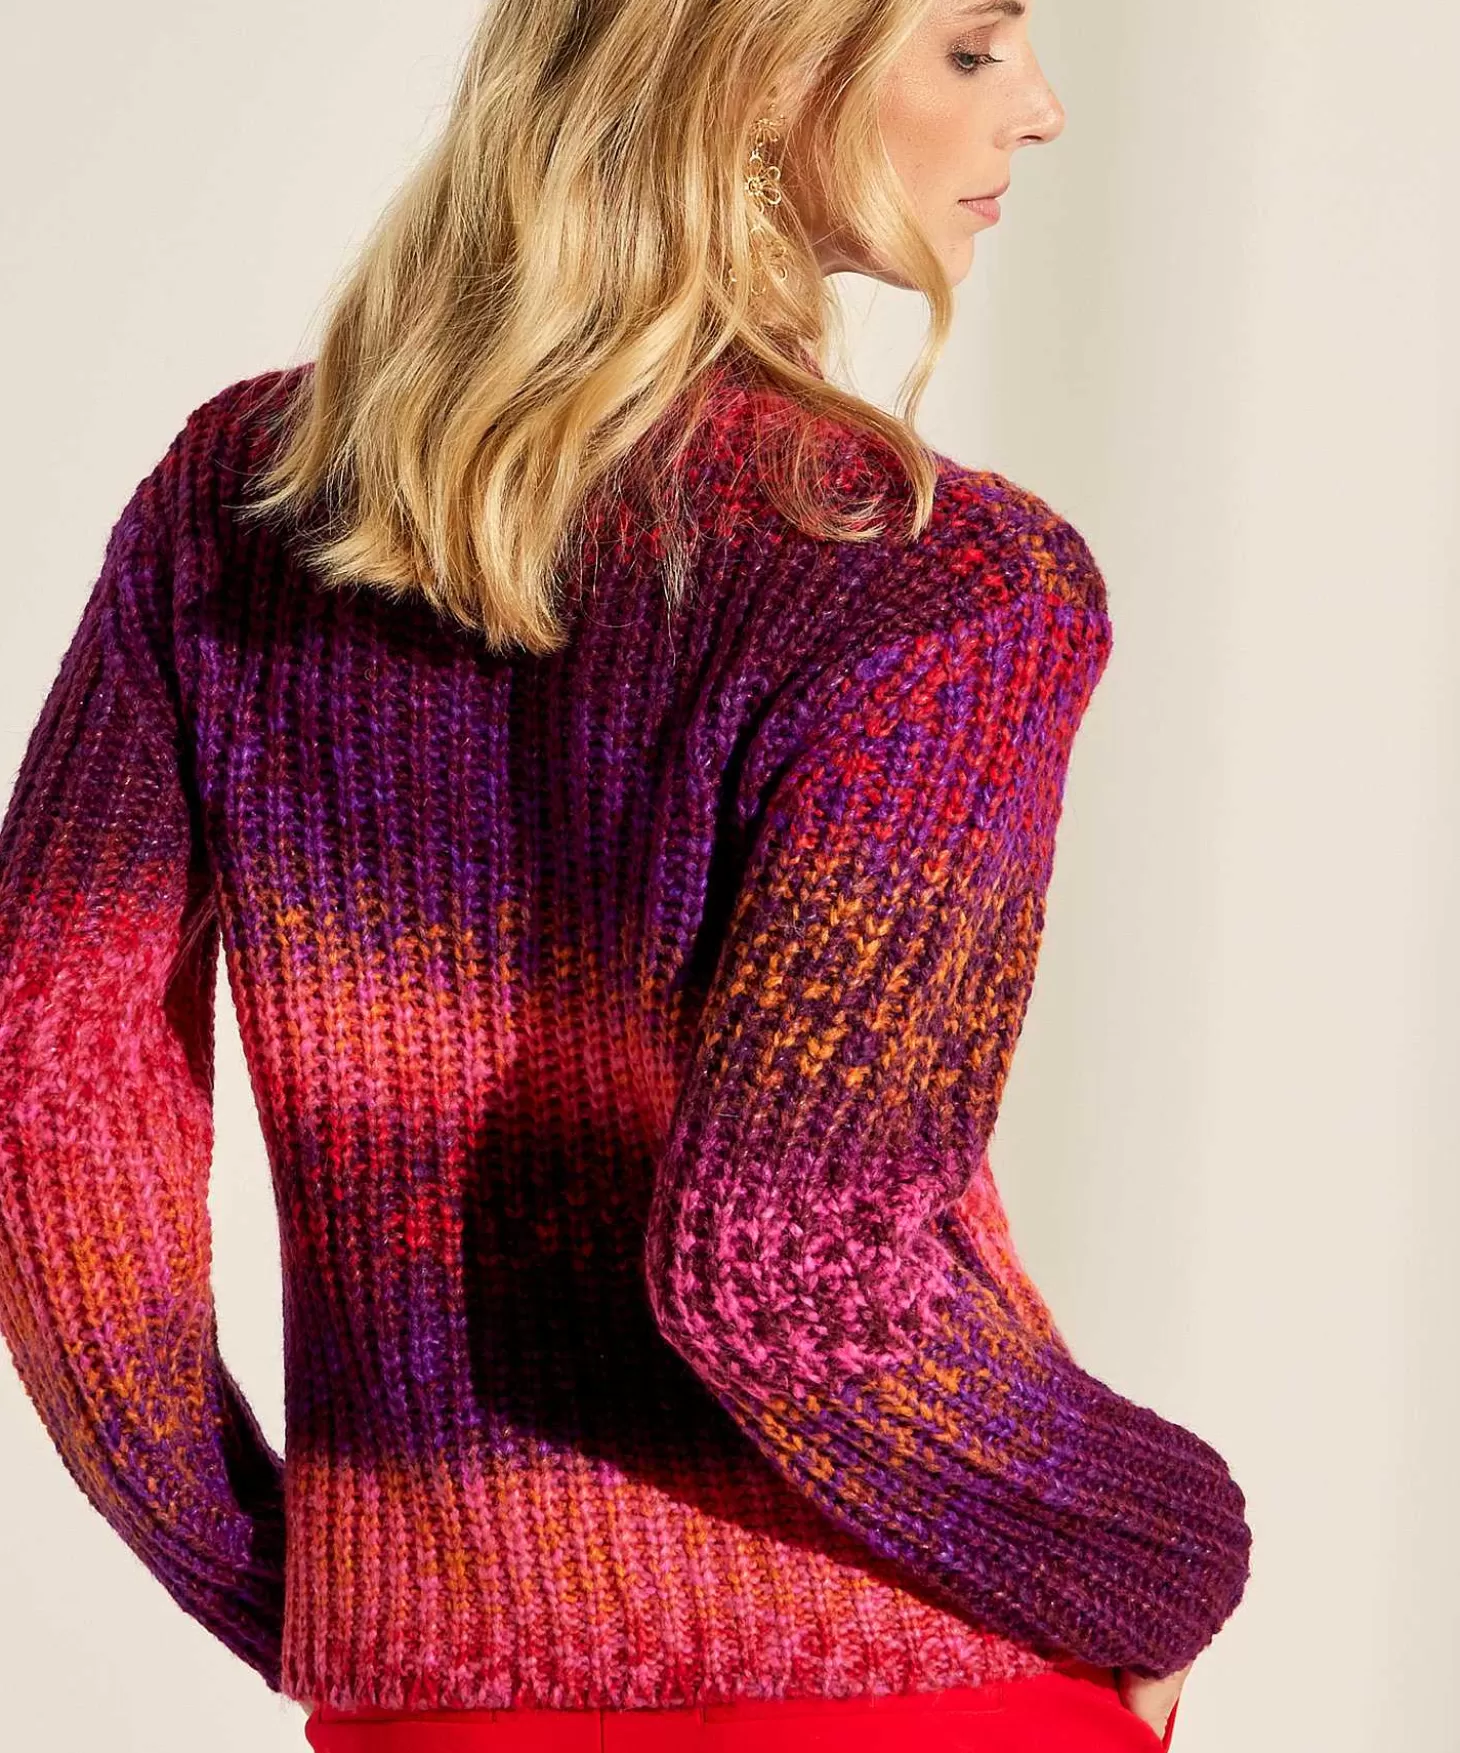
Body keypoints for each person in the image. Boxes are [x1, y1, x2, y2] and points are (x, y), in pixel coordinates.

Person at [0, 0, 1251, 1747]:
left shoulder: (241, 506)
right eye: (972, 46)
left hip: (437, 1698)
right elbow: (785, 1262)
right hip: (907, 1675)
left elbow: (42, 1082)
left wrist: (292, 1572)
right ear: (757, 69)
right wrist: (1156, 1547)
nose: (1037, 109)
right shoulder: (947, 584)